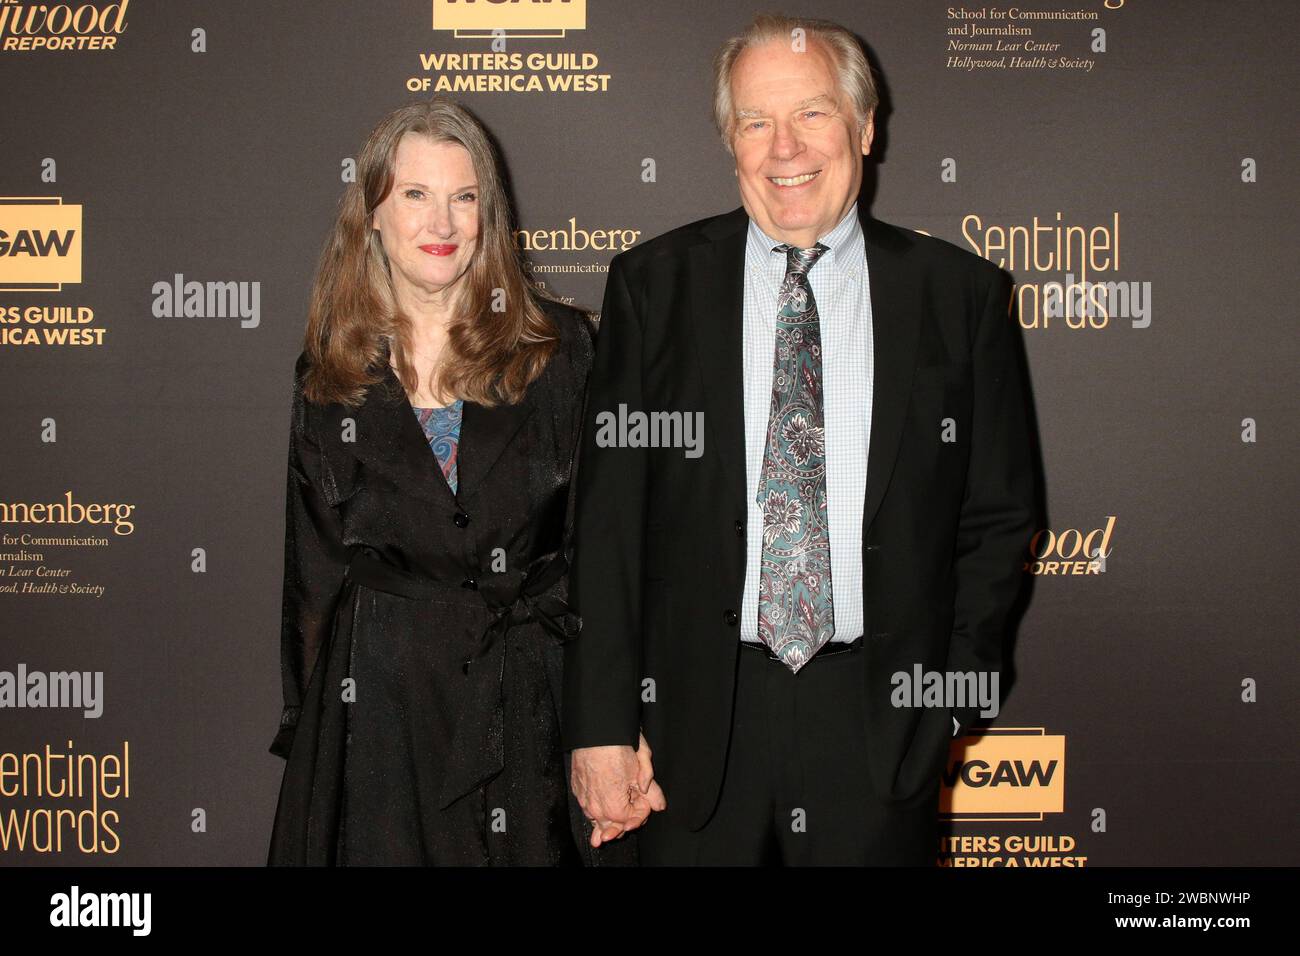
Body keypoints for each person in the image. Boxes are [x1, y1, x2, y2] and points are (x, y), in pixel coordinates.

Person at [563, 14, 1038, 864]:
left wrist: (949, 706)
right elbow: (606, 532)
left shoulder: (960, 296)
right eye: (755, 122)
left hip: (879, 729)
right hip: (691, 734)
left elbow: (998, 519)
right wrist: (602, 727)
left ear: (863, 125)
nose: (785, 149)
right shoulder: (653, 287)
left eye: (812, 114)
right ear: (729, 140)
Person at [266, 97, 628, 865]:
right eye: (415, 195)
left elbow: (602, 552)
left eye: (464, 197)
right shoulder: (329, 372)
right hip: (383, 706)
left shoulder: (560, 351)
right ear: (372, 213)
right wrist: (309, 730)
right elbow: (314, 568)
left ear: (487, 215)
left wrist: (615, 724)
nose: (443, 223)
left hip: (532, 695)